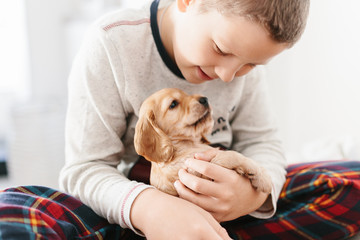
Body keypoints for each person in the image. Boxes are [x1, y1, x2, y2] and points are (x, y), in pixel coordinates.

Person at [0, 0, 359, 239]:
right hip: (133, 216)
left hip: (228, 213)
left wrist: (252, 199)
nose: (230, 75)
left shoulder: (238, 67)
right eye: (221, 49)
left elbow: (262, 144)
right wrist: (150, 210)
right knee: (15, 212)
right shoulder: (112, 44)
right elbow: (85, 168)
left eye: (251, 65)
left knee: (351, 179)